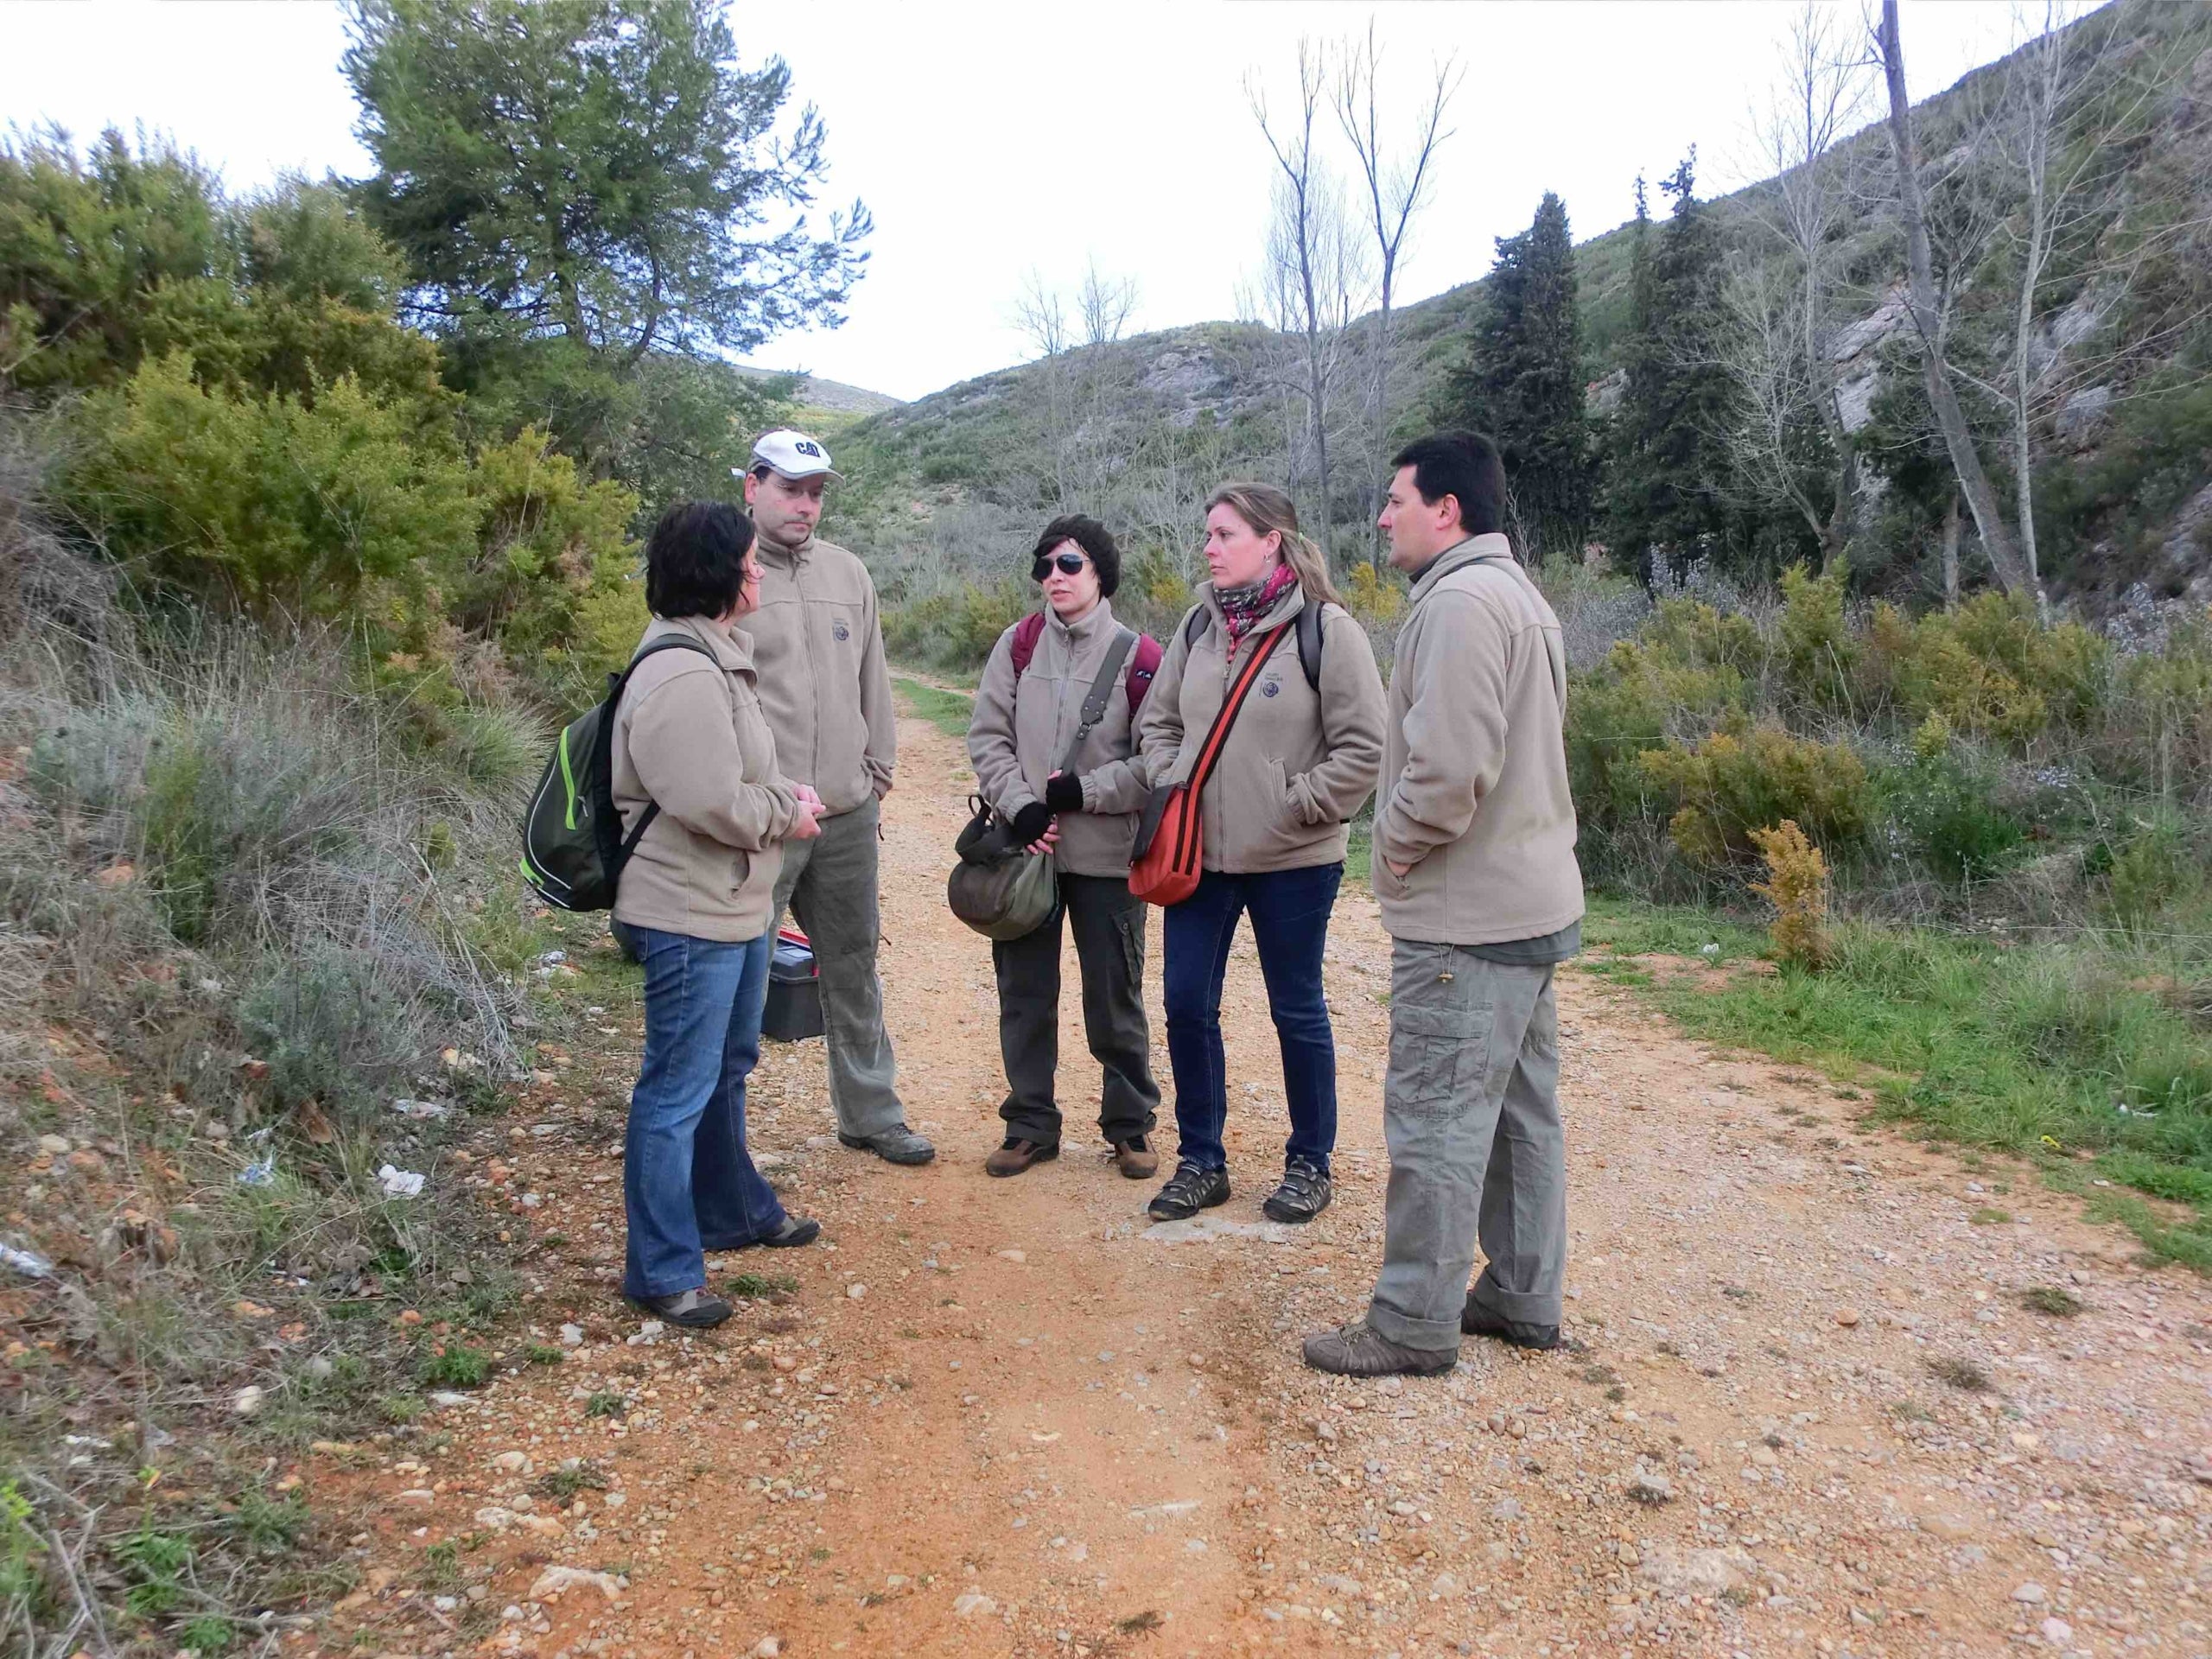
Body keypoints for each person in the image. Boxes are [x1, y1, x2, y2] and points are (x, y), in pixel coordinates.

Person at [1303, 433, 1586, 1378]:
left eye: (1395, 500)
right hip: (1530, 899)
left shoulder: (1460, 603)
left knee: (1436, 1118)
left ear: (1446, 510)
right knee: (1518, 1114)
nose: (1383, 518)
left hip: (1466, 917)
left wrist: (1388, 853)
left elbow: (1449, 771)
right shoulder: (1517, 595)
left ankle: (1412, 1322)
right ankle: (1519, 1295)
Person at [1137, 483, 1386, 1225]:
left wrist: (1296, 804)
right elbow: (1157, 723)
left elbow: (1364, 749)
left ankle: (1311, 1163)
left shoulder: (1327, 631)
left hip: (1295, 861)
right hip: (1198, 858)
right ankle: (1200, 1162)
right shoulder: (1196, 628)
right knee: (1186, 1004)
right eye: (1207, 534)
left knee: (1296, 1009)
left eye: (1223, 534)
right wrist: (1171, 777)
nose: (1208, 548)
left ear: (1270, 540)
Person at [613, 501, 826, 1329]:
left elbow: (730, 783)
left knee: (727, 1066)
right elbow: (707, 799)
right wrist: (786, 812)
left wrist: (778, 799)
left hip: (730, 903)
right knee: (675, 1089)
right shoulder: (682, 671)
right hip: (689, 908)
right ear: (720, 574)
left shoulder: (717, 655)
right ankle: (663, 1271)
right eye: (749, 561)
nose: (760, 570)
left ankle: (732, 1211)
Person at [740, 429, 933, 1166]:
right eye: (790, 488)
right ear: (753, 485)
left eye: (816, 492)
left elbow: (872, 682)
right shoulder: (730, 571)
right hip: (763, 818)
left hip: (847, 814)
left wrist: (875, 775)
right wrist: (751, 794)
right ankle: (724, 1141)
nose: (805, 505)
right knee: (741, 974)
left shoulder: (850, 572)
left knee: (852, 963)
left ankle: (871, 1115)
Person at [967, 516, 1163, 1179]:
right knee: (1024, 994)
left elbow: (1157, 763)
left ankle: (1130, 1127)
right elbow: (987, 736)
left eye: (1069, 564)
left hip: (1108, 859)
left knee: (1115, 998)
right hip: (1027, 859)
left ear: (1100, 572)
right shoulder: (1018, 645)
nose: (1054, 576)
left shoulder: (1142, 658)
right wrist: (1020, 808)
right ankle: (1029, 1126)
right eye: (1045, 564)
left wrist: (1086, 791)